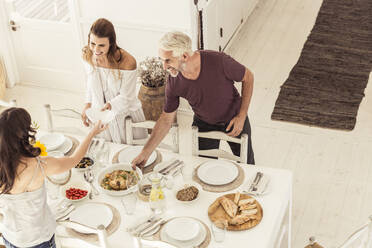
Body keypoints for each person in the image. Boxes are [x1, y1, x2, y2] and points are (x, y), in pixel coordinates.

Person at [132, 31, 255, 168]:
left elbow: (248, 77)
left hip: (235, 118)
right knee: (204, 168)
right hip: (204, 124)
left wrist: (242, 115)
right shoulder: (174, 82)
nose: (164, 67)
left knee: (248, 166)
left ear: (184, 56)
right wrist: (145, 153)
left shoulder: (219, 61)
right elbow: (166, 120)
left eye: (168, 60)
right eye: (161, 60)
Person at [0, 107, 106, 248]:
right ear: (24, 134)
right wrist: (92, 133)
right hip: (38, 239)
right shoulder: (38, 165)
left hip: (10, 237)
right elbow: (74, 160)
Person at [81, 18, 147, 144]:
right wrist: (87, 105)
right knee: (106, 153)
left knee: (133, 154)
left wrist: (110, 105)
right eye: (92, 43)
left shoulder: (127, 62)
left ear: (111, 43)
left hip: (126, 115)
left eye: (101, 45)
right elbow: (90, 83)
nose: (95, 50)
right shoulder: (87, 54)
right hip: (101, 114)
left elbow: (127, 97)